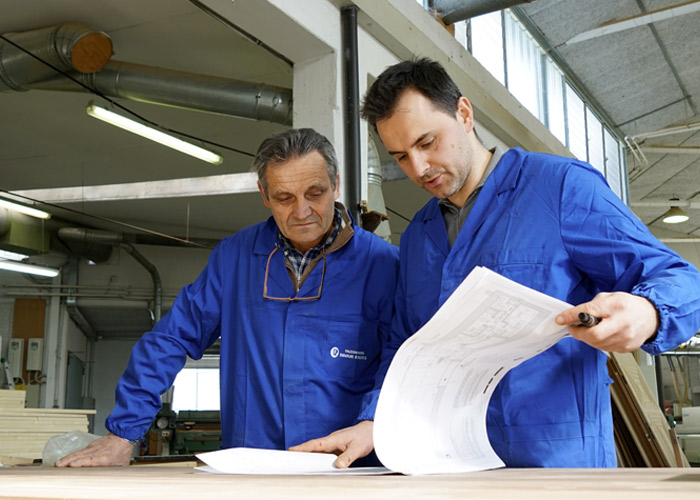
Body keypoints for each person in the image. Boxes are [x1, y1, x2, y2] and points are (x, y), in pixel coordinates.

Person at [293, 58, 700, 468]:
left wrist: (648, 312)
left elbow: (680, 279)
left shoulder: (560, 188)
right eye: (400, 157)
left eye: (427, 143)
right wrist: (374, 421)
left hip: (560, 468)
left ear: (464, 114)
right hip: (453, 466)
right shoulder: (419, 235)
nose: (418, 169)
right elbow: (406, 346)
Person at [56, 127, 399, 467]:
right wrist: (123, 433)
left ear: (335, 184)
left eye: (315, 193)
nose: (302, 211)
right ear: (264, 195)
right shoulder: (234, 259)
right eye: (284, 198)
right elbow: (171, 338)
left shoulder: (383, 265)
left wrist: (373, 420)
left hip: (349, 473)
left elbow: (401, 360)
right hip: (253, 471)